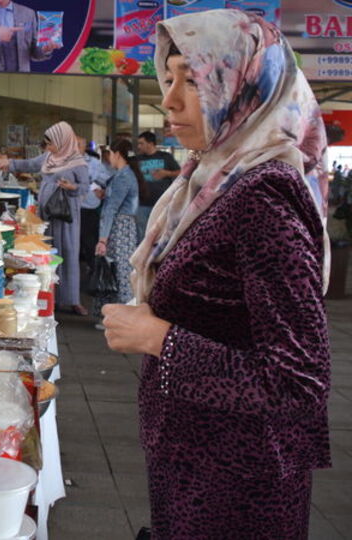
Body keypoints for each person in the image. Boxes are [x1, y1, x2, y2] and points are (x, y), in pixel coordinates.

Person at [102, 11, 330, 538]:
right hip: (199, 460)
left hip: (237, 485)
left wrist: (160, 337)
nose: (170, 99)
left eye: (194, 79)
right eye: (170, 78)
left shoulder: (264, 196)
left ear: (243, 85)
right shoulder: (213, 178)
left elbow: (299, 382)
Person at [10, 121, 90, 315]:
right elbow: (30, 164)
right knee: (46, 254)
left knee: (69, 252)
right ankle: (48, 296)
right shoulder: (48, 157)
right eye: (47, 144)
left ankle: (71, 299)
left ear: (63, 141)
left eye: (51, 143)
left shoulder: (77, 162)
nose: (49, 148)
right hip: (46, 212)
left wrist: (72, 188)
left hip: (66, 213)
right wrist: (9, 164)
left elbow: (85, 187)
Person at [90, 139, 139, 325]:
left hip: (119, 229)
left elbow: (111, 208)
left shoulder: (123, 177)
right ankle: (115, 317)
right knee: (117, 271)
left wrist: (102, 239)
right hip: (122, 228)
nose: (108, 157)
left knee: (117, 272)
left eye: (110, 153)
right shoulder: (123, 175)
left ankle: (119, 319)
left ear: (117, 154)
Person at [134, 131, 180, 237]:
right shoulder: (137, 159)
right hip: (142, 204)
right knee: (142, 234)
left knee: (161, 233)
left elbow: (180, 173)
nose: (139, 146)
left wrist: (166, 173)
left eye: (141, 143)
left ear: (150, 143)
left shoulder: (166, 157)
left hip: (162, 203)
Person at [78, 136, 112, 273]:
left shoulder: (94, 163)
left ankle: (95, 274)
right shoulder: (63, 162)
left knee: (89, 242)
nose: (74, 147)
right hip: (68, 209)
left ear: (84, 146)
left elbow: (107, 181)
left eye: (78, 144)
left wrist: (102, 190)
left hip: (88, 207)